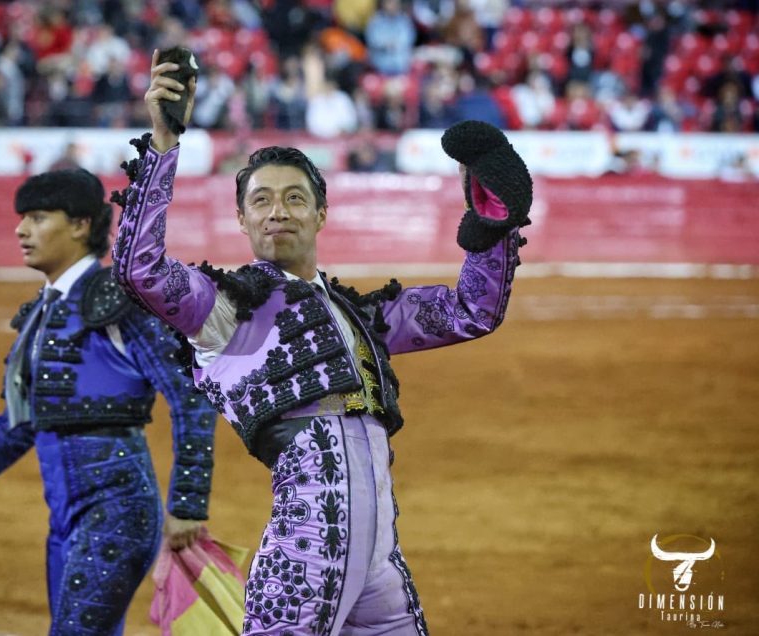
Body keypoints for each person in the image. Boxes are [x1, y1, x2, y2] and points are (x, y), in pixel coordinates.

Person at [111, 50, 531, 634]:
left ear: (321, 214)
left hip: (381, 550)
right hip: (306, 544)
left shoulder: (360, 316)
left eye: (294, 198)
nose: (277, 212)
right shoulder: (224, 310)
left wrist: (491, 223)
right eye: (260, 201)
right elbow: (140, 271)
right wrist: (163, 141)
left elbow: (470, 311)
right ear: (241, 220)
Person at [0, 167, 218, 635]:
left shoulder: (117, 300)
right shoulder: (43, 309)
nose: (21, 229)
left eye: (37, 217)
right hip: (65, 517)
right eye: (22, 218)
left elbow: (191, 394)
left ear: (80, 225)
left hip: (118, 512)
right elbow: (27, 419)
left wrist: (188, 503)